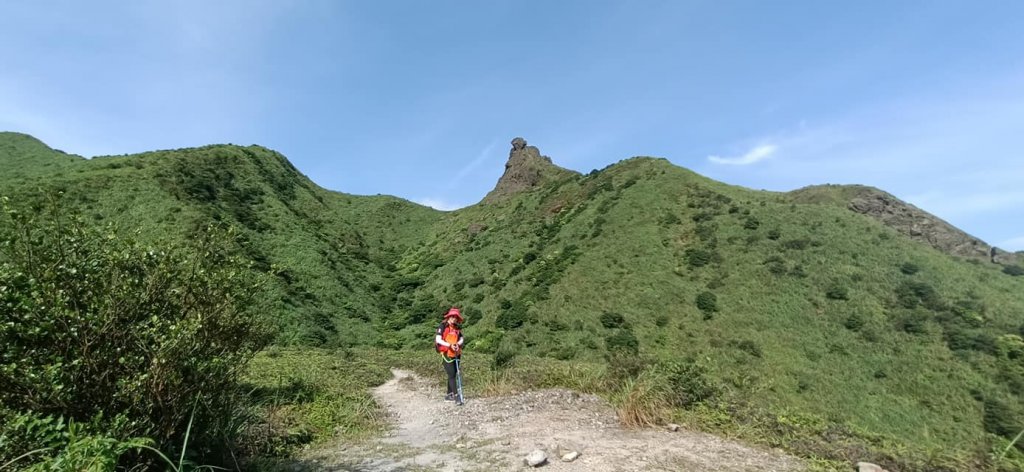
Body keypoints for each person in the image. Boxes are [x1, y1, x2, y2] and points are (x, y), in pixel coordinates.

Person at [435, 307, 464, 404]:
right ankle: (456, 396)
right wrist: (449, 345)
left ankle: (449, 394)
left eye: (456, 317)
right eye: (452, 316)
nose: (454, 318)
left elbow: (461, 339)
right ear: (449, 316)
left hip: (456, 353)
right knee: (451, 374)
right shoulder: (442, 326)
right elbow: (438, 339)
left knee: (453, 374)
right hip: (446, 353)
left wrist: (458, 344)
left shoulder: (457, 327)